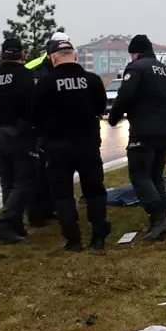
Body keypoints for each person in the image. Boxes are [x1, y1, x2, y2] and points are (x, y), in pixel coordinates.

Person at [33, 38, 110, 252]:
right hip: (87, 145)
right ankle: (98, 237)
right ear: (75, 56)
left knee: (63, 194)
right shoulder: (93, 80)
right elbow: (101, 108)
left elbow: (35, 115)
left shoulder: (45, 84)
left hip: (57, 147)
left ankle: (73, 240)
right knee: (95, 191)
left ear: (52, 58)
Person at [108, 34, 166, 242]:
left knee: (139, 175)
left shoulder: (137, 68)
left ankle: (159, 218)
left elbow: (125, 95)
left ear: (135, 53)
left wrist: (114, 117)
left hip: (144, 130)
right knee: (155, 175)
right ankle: (163, 217)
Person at [0, 38, 38, 243]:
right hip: (18, 134)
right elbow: (32, 107)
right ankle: (3, 224)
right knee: (26, 181)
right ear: (21, 55)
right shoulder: (25, 76)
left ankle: (14, 226)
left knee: (7, 182)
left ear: (3, 55)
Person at [23, 31, 70, 228]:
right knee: (38, 174)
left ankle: (51, 208)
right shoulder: (33, 68)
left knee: (55, 173)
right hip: (38, 130)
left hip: (58, 130)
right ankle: (36, 214)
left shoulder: (66, 66)